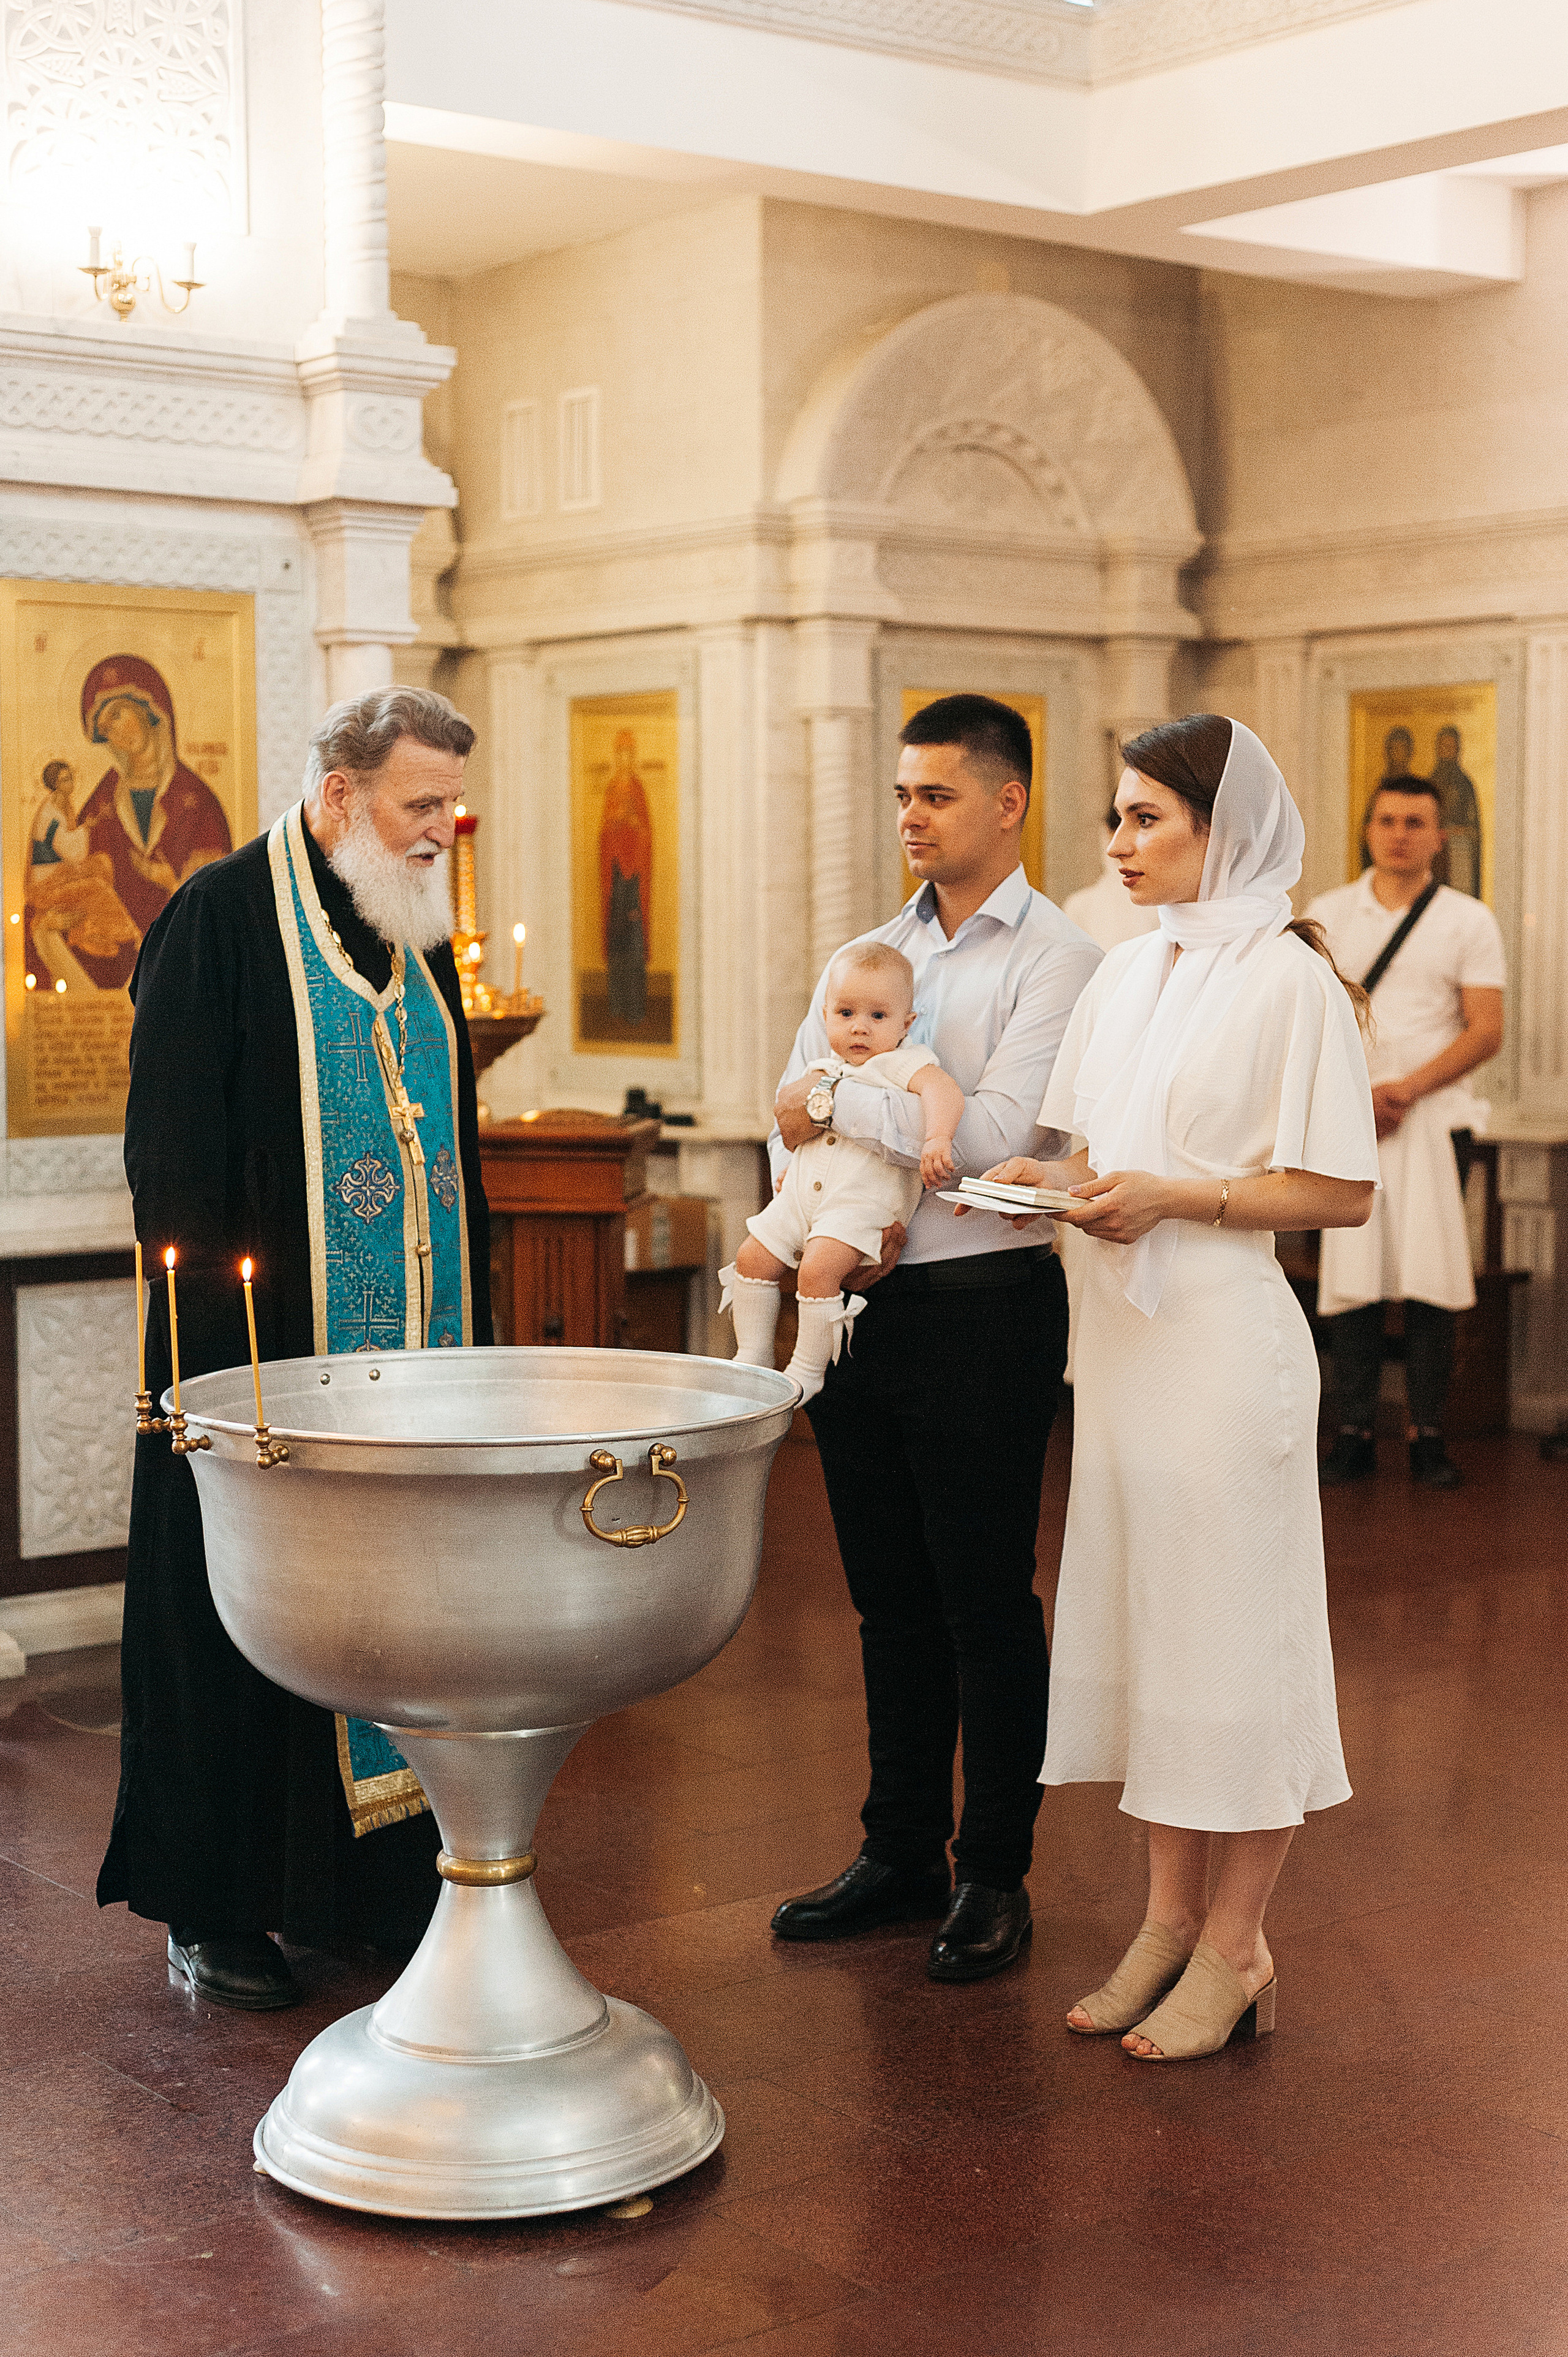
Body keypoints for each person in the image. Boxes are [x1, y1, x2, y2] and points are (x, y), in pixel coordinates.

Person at [979, 715, 1377, 2059]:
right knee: (1154, 1629)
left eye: (1145, 818)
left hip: (1220, 1347)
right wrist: (1045, 1181)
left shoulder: (1288, 981)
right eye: (1116, 816)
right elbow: (1101, 1154)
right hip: (1124, 1350)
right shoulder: (1127, 972)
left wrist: (1177, 1198)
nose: (1117, 843)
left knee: (1233, 1641)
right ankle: (1164, 1919)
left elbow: (1337, 1190)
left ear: (1225, 829)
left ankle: (1236, 1940)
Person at [97, 686, 491, 2010]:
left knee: (396, 1628)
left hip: (414, 1371)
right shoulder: (215, 920)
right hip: (259, 1369)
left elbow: (455, 1156)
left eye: (448, 805)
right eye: (420, 804)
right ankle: (214, 1904)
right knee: (238, 1623)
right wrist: (216, 1379)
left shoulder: (413, 930)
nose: (440, 829)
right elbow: (172, 1162)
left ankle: (368, 1885)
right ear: (339, 796)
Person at [767, 694, 1101, 1983]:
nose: (910, 814)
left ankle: (992, 1871)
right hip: (860, 1296)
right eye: (903, 793)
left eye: (937, 794)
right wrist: (838, 1149)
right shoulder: (869, 949)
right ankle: (897, 1848)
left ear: (1007, 803)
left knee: (982, 1595)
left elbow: (1003, 1132)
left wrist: (839, 1098)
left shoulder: (1058, 958)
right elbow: (783, 1113)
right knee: (885, 1597)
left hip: (983, 1303)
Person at [1310, 775, 1505, 1489]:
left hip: (1433, 1117)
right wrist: (1354, 1098)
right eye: (1387, 820)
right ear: (1367, 829)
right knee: (1352, 1281)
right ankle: (1353, 1432)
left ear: (1439, 836)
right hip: (1347, 1118)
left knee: (1430, 1279)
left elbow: (1486, 1029)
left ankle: (1428, 1436)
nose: (1399, 834)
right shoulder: (1327, 914)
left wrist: (1405, 1091)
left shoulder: (1467, 920)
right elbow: (1309, 1020)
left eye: (1414, 822)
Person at [721, 941, 965, 1400]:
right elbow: (790, 1124)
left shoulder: (903, 1063)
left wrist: (937, 1138)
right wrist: (792, 1166)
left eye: (878, 1016)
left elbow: (944, 1092)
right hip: (802, 1198)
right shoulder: (822, 1068)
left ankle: (808, 1368)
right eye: (846, 1013)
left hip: (860, 1203)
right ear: (826, 1015)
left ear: (906, 1023)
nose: (860, 1027)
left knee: (817, 1271)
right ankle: (752, 1354)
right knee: (752, 1257)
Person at [72, 655, 233, 991]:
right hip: (114, 975)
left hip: (183, 972)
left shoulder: (198, 800)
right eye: (106, 729)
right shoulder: (103, 800)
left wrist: (172, 883)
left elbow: (221, 897)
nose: (116, 733)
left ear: (149, 708)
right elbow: (82, 874)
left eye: (118, 715)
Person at [1062, 796, 1161, 953]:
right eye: (1117, 826)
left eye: (1144, 823)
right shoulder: (1080, 907)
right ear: (1107, 832)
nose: (1117, 848)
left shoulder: (1173, 906)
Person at [1430, 725, 1482, 899]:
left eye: (1451, 747)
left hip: (1459, 852)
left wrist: (1457, 831)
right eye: (1444, 746)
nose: (1447, 751)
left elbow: (1474, 827)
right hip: (1434, 854)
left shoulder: (1465, 785)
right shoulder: (1430, 783)